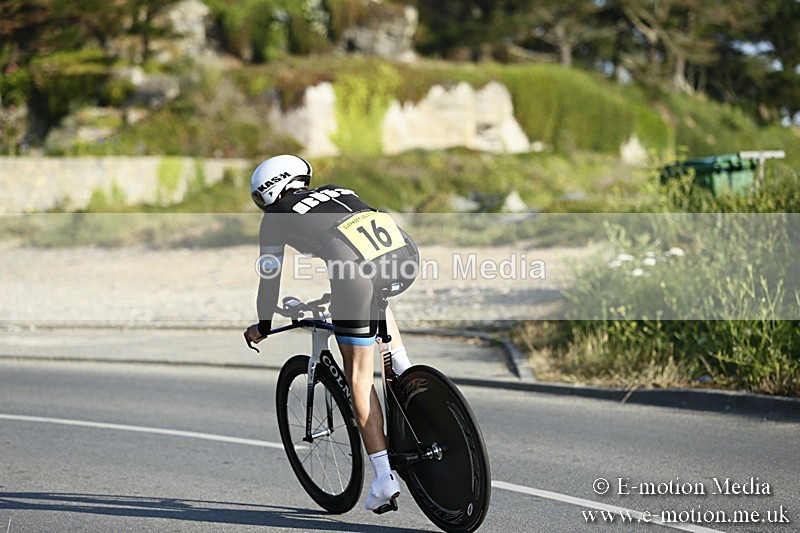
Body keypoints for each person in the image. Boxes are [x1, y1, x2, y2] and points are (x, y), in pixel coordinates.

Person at [243, 154, 419, 512]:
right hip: (407, 256)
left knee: (357, 378)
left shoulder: (275, 217)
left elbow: (269, 277)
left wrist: (263, 325)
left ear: (267, 192)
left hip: (355, 276)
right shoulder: (339, 189)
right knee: (377, 295)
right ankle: (406, 374)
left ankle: (385, 480)